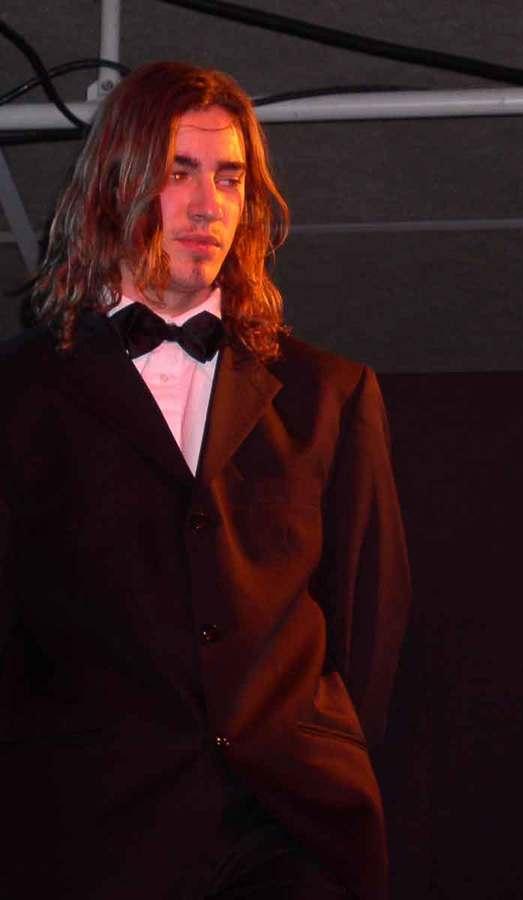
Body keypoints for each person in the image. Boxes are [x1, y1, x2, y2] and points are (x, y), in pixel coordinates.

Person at [0, 62, 409, 899]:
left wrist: (319, 759)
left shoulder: (328, 395)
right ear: (115, 187)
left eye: (229, 178)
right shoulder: (21, 395)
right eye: (178, 172)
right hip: (91, 836)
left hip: (292, 831)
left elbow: (370, 621)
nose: (207, 205)